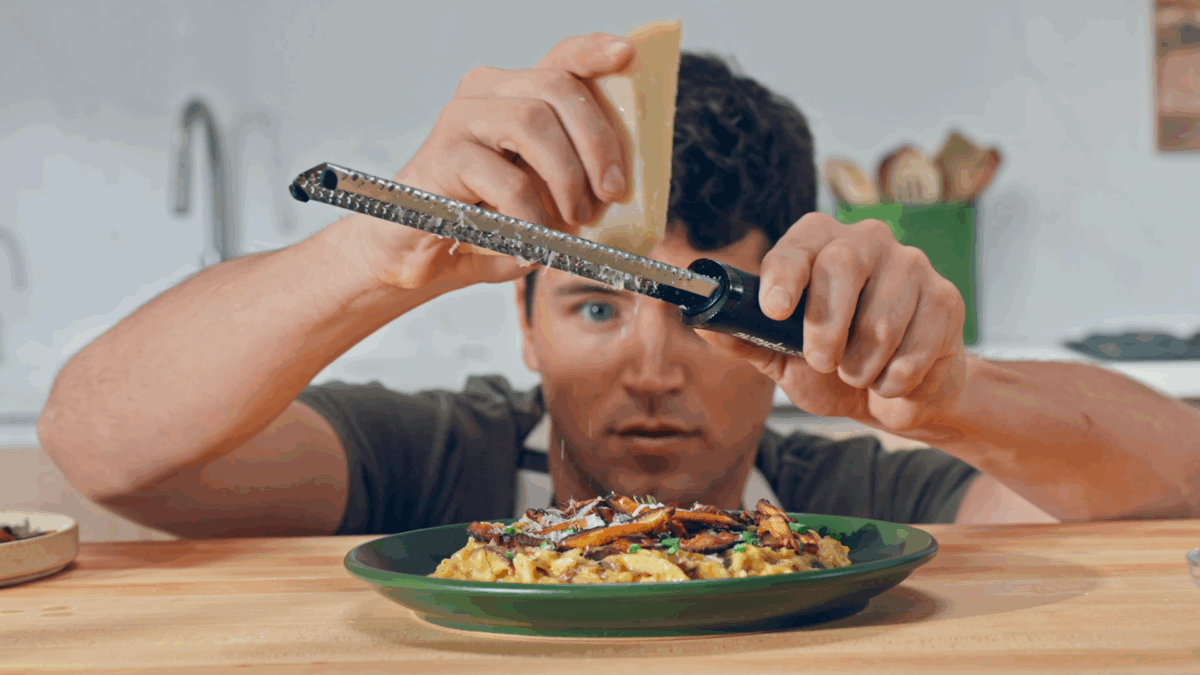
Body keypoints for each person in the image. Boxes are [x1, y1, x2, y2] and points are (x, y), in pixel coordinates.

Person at [37, 33, 1200, 539]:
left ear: (787, 324)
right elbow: (103, 448)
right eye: (596, 306)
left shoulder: (845, 497)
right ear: (525, 326)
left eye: (705, 314)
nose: (651, 369)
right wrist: (373, 256)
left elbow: (1175, 493)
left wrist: (950, 390)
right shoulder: (431, 464)